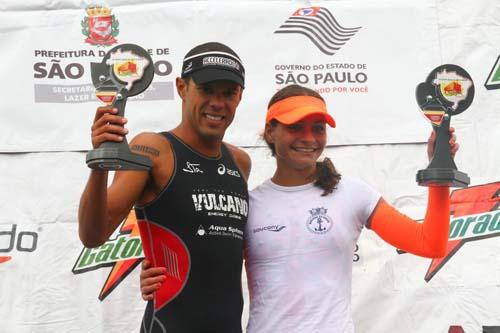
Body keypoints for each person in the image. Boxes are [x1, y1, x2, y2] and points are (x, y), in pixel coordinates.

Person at [140, 84, 458, 332]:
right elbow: (208, 267)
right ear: (270, 132)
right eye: (296, 127)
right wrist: (157, 275)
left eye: (318, 127)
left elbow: (429, 243)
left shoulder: (352, 193)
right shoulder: (248, 205)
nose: (309, 138)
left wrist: (440, 173)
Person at [78, 42, 251, 333]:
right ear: (182, 87)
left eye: (228, 93)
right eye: (207, 90)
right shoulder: (153, 150)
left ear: (240, 97)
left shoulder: (240, 161)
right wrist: (100, 164)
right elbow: (93, 234)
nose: (217, 103)